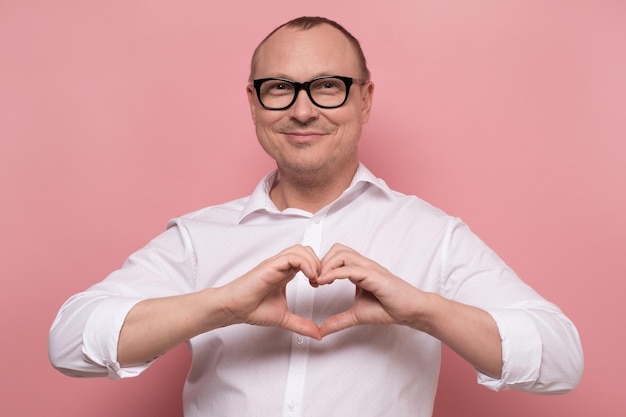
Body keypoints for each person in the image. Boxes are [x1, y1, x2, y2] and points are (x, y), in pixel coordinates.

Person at [49, 16, 583, 417]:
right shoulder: (197, 238)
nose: (302, 110)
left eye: (327, 85)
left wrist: (423, 311)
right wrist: (222, 305)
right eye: (279, 88)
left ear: (365, 98)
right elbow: (70, 343)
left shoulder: (434, 236)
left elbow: (561, 362)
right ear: (255, 103)